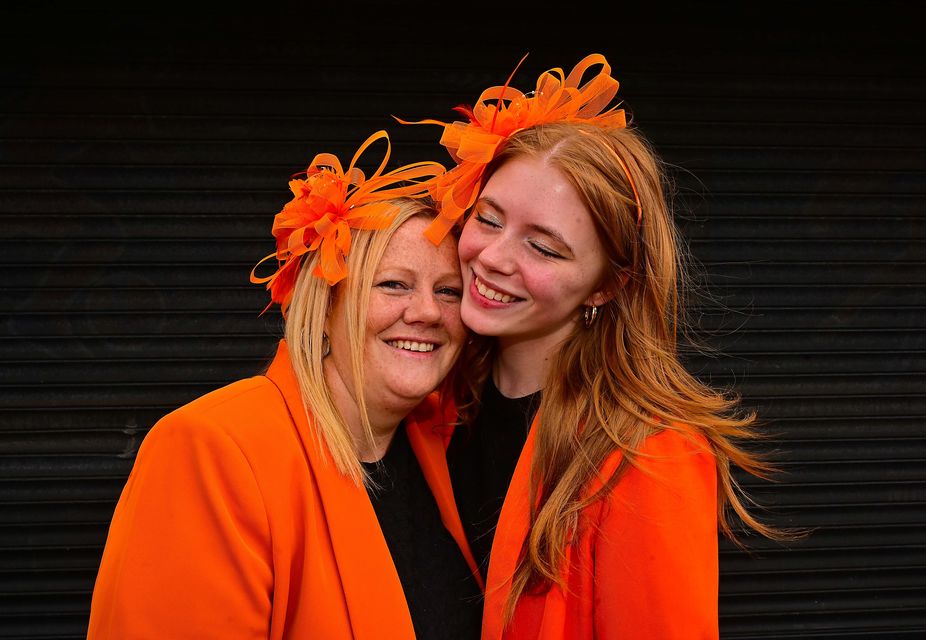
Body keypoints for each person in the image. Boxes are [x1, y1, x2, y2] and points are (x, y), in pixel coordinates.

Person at [402, 54, 790, 638]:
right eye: (489, 219)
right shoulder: (436, 405)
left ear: (609, 285)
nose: (493, 257)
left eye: (544, 248)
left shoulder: (650, 455)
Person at [86, 131, 485, 639]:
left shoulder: (446, 443)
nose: (428, 312)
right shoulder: (212, 449)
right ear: (324, 306)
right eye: (393, 284)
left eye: (448, 291)